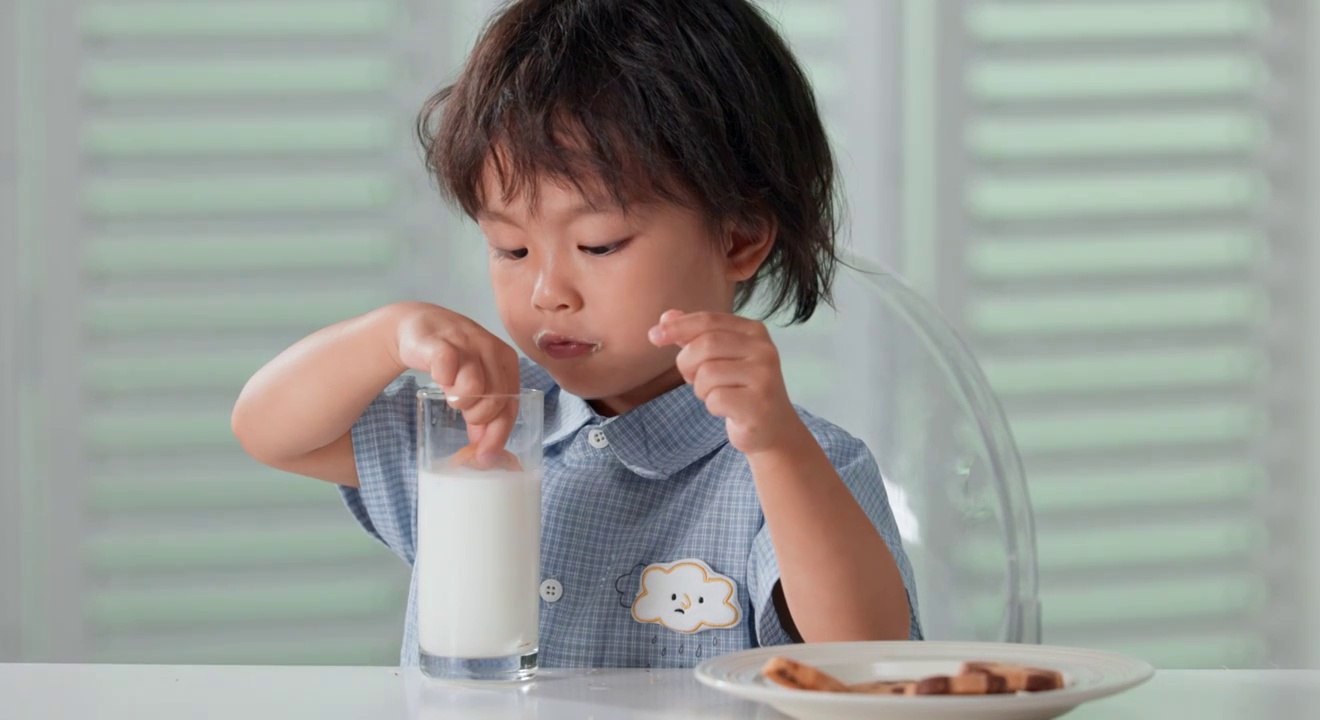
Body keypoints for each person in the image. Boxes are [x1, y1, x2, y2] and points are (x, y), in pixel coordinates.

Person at [232, 0, 920, 669]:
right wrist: (386, 335)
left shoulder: (795, 466)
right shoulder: (478, 426)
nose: (547, 293)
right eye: (510, 249)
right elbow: (269, 430)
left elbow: (866, 660)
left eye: (599, 244)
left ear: (738, 237)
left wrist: (775, 447)